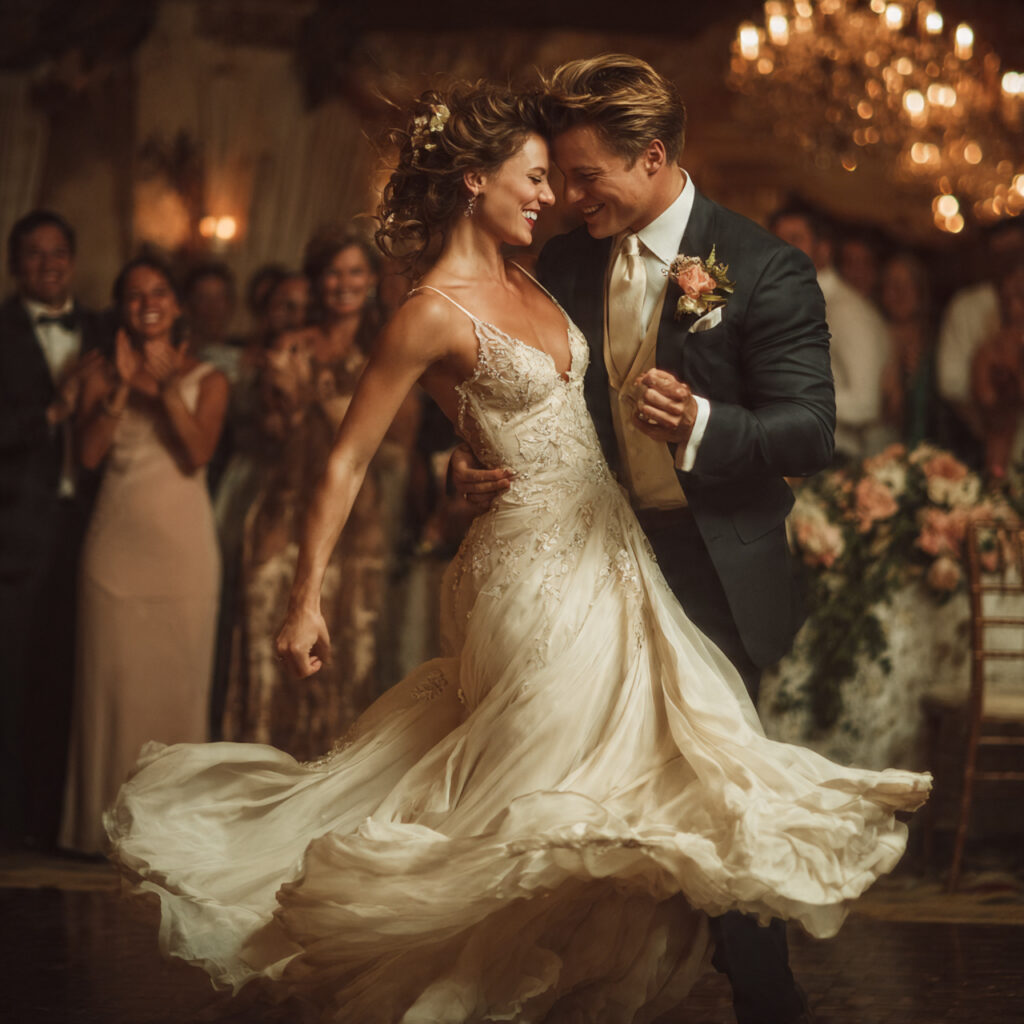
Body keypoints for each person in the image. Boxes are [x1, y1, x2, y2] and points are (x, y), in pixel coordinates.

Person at [105, 76, 929, 1022]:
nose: (563, 199)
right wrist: (349, 559)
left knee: (689, 778)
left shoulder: (720, 266)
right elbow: (399, 431)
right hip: (541, 566)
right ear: (474, 181)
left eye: (576, 178)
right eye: (544, 177)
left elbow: (807, 430)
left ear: (650, 159)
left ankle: (727, 990)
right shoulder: (524, 273)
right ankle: (499, 987)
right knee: (559, 789)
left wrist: (698, 421)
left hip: (671, 560)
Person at [218, 230, 413, 758]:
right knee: (266, 638)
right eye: (333, 272)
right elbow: (265, 436)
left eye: (354, 272)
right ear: (316, 280)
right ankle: (255, 775)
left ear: (371, 280)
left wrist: (323, 398)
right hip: (283, 505)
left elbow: (400, 441)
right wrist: (288, 403)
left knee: (348, 647)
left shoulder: (388, 347)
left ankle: (330, 780)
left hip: (357, 520)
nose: (343, 284)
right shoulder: (291, 345)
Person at [59, 255, 228, 854]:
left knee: (177, 690)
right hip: (114, 554)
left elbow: (197, 453)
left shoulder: (209, 378)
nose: (147, 302)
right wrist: (121, 388)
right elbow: (87, 457)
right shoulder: (104, 375)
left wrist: (159, 389)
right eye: (133, 295)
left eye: (158, 292)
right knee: (111, 687)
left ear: (176, 304)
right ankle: (98, 831)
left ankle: (171, 832)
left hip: (184, 557)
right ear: (121, 309)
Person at [0, 209, 107, 848]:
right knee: (16, 683)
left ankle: (63, 824)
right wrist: (52, 410)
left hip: (97, 534)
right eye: (35, 255)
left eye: (58, 252)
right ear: (16, 266)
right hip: (17, 541)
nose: (49, 263)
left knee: (77, 682)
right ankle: (14, 830)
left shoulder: (100, 327)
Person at [769, 202, 891, 462]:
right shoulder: (794, 301)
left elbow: (867, 403)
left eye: (795, 239)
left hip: (836, 460)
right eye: (775, 239)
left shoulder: (846, 310)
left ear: (823, 250)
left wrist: (789, 394)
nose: (781, 249)